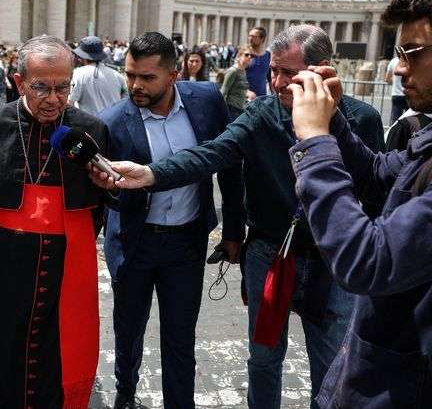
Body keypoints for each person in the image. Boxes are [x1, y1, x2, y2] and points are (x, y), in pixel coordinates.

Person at [90, 25, 386, 409]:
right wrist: (151, 174)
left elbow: (376, 194)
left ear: (323, 70)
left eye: (288, 74)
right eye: (273, 71)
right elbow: (213, 153)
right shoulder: (261, 115)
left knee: (331, 366)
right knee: (263, 360)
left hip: (334, 261)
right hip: (269, 253)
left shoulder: (362, 120)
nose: (277, 83)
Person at [0, 35, 110, 408]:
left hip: (63, 269)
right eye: (41, 87)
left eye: (62, 87)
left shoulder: (90, 132)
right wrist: (2, 246)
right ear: (19, 83)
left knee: (54, 358)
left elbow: (98, 209)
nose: (53, 98)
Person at [287, 0, 432, 408]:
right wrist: (333, 122)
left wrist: (314, 141)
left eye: (414, 52)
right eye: (398, 53)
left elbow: (365, 262)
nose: (398, 68)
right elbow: (377, 175)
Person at [100, 32, 245, 409]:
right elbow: (104, 194)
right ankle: (126, 393)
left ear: (174, 75)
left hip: (186, 243)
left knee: (180, 337)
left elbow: (229, 165)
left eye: (147, 78)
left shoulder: (208, 101)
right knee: (128, 330)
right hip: (135, 244)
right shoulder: (112, 122)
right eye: (130, 75)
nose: (135, 85)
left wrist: (232, 231)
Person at [68, 35, 128, 116]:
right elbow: (125, 100)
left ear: (82, 56)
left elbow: (70, 102)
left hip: (89, 125)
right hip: (112, 124)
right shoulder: (117, 75)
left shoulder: (78, 74)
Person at [220, 48, 253, 118]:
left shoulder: (243, 70)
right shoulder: (233, 71)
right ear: (239, 57)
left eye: (251, 55)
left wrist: (248, 93)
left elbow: (240, 87)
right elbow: (223, 91)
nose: (249, 57)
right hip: (231, 109)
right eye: (246, 55)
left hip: (240, 108)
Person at [246, 27, 271, 97]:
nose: (250, 38)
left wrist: (275, 97)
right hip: (244, 99)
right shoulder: (244, 53)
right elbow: (236, 77)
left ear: (262, 39)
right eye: (249, 36)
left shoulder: (268, 55)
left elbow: (270, 78)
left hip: (262, 99)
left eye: (253, 36)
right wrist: (246, 91)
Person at [385, 50, 408, 122]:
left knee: (395, 120)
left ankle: (395, 133)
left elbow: (387, 79)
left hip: (396, 94)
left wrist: (394, 82)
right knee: (411, 120)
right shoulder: (411, 61)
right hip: (408, 95)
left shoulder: (393, 61)